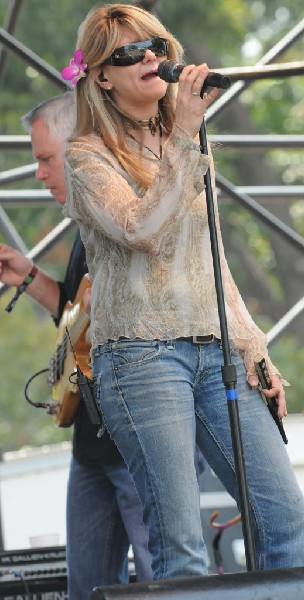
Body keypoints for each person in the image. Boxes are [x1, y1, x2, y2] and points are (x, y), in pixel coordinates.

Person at [62, 3, 304, 581]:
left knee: (285, 517)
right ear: (101, 74)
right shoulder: (85, 155)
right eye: (129, 52)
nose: (149, 57)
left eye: (157, 47)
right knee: (181, 547)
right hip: (142, 360)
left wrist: (254, 347)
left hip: (216, 351)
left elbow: (212, 261)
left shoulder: (185, 144)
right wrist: (183, 134)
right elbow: (140, 229)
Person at [0, 92, 153, 599]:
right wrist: (29, 278)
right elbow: (74, 318)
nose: (40, 174)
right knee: (88, 587)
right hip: (91, 440)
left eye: (45, 159)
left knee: (164, 579)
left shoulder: (127, 217)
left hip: (140, 435)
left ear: (79, 148)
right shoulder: (84, 232)